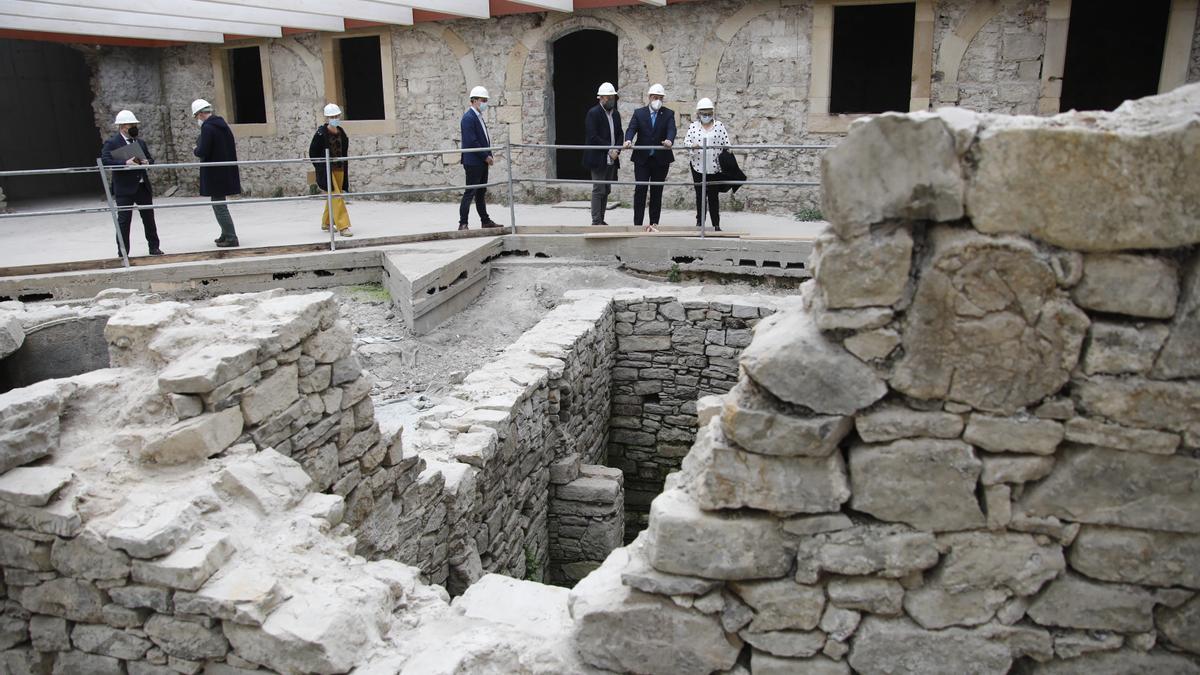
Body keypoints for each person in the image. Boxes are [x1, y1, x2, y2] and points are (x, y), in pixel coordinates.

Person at [100, 110, 163, 257]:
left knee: (149, 219)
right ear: (122, 127)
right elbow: (105, 160)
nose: (134, 127)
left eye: (135, 124)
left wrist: (148, 162)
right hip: (124, 188)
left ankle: (154, 247)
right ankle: (123, 252)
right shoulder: (112, 142)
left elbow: (149, 158)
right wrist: (124, 162)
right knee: (124, 221)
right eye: (131, 125)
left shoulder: (139, 142)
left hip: (142, 187)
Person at [622, 83, 676, 232]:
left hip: (660, 159)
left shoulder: (668, 114)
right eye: (655, 97)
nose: (657, 100)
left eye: (660, 97)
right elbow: (631, 128)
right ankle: (638, 223)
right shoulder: (639, 113)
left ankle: (654, 223)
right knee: (640, 190)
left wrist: (670, 140)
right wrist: (628, 140)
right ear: (649, 97)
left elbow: (672, 129)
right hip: (642, 160)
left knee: (656, 192)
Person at [192, 99, 241, 247]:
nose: (197, 120)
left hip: (215, 173)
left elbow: (203, 151)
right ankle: (225, 233)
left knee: (219, 206)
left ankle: (231, 237)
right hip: (224, 171)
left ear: (200, 114)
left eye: (196, 116)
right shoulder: (221, 124)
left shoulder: (208, 127)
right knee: (219, 204)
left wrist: (195, 148)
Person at [683, 98, 730, 232]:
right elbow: (686, 142)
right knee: (700, 195)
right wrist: (693, 146)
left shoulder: (719, 126)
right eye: (704, 113)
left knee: (714, 196)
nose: (706, 116)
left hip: (714, 167)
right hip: (698, 166)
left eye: (709, 113)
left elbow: (726, 142)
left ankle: (716, 223)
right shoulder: (693, 126)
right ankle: (700, 222)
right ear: (698, 113)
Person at [309, 103, 353, 237]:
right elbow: (313, 152)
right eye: (332, 116)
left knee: (333, 196)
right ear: (327, 118)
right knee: (337, 196)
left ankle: (327, 222)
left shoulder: (341, 132)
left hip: (339, 168)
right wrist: (321, 167)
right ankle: (343, 225)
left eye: (336, 116)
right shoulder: (321, 133)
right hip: (327, 169)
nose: (335, 118)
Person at [459, 86, 500, 230]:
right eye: (483, 100)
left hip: (481, 161)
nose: (485, 103)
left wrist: (487, 156)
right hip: (474, 161)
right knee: (470, 192)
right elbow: (472, 142)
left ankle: (485, 220)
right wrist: (486, 156)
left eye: (486, 100)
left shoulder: (478, 116)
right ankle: (463, 223)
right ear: (474, 100)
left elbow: (483, 139)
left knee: (481, 192)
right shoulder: (468, 118)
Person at [583, 82, 623, 226]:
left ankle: (601, 219)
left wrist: (617, 149)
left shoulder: (616, 114)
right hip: (599, 158)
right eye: (608, 98)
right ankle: (596, 221)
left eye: (612, 97)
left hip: (612, 158)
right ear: (601, 98)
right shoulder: (593, 113)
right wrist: (609, 149)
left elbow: (620, 134)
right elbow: (593, 136)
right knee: (598, 189)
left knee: (606, 189)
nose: (611, 100)